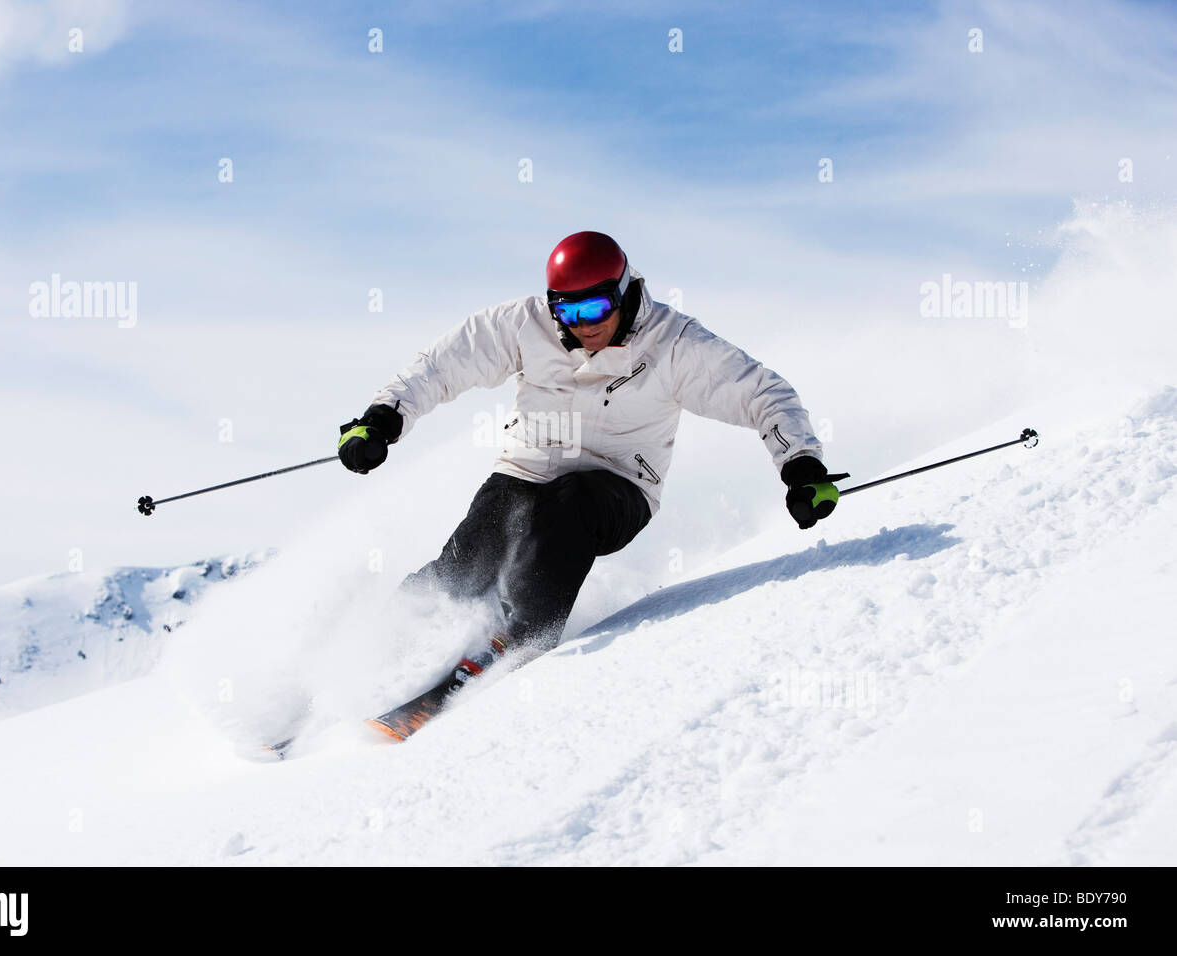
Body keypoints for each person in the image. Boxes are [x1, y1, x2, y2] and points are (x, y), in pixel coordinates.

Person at [337, 231, 845, 740]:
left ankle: (517, 643)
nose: (586, 327)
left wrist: (801, 466)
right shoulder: (522, 324)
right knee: (470, 556)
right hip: (527, 468)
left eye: (597, 308)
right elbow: (443, 365)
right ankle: (369, 658)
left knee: (564, 509)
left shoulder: (675, 343)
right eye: (570, 313)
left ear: (624, 291)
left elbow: (765, 394)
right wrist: (381, 420)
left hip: (619, 484)